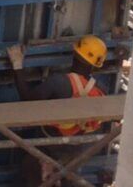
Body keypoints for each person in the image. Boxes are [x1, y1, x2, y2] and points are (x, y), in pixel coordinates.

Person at [8, 36, 108, 185]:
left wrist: (17, 65)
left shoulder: (59, 82)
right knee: (67, 180)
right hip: (75, 151)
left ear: (75, 54)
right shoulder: (101, 89)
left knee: (31, 169)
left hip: (48, 146)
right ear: (97, 64)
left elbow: (28, 101)